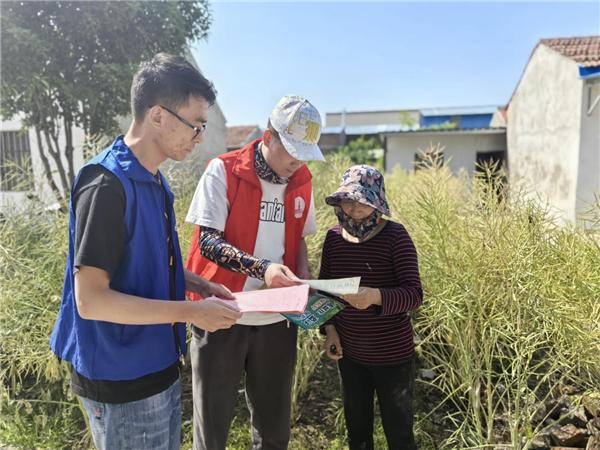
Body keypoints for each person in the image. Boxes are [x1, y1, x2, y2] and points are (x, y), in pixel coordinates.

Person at [49, 53, 242, 450]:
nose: (199, 137)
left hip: (156, 366)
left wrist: (199, 285)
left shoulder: (155, 182)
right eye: (196, 124)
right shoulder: (106, 185)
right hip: (121, 379)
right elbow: (92, 300)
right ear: (158, 116)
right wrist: (191, 311)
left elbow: (149, 262)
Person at [185, 95, 324, 450]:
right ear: (267, 137)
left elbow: (299, 242)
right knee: (212, 426)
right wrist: (264, 269)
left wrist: (303, 285)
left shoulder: (301, 180)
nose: (297, 162)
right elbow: (208, 244)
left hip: (276, 321)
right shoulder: (224, 170)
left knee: (274, 427)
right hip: (220, 313)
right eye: (291, 150)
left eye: (304, 153)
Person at [320, 165, 423, 450]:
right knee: (358, 432)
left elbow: (414, 294)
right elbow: (324, 290)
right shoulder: (333, 239)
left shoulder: (395, 237)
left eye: (361, 202)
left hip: (393, 356)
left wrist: (375, 296)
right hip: (350, 355)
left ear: (376, 202)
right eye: (348, 201)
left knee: (399, 433)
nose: (353, 209)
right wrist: (329, 330)